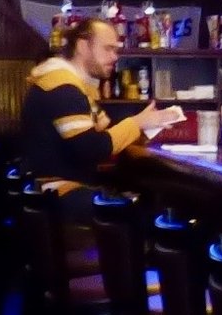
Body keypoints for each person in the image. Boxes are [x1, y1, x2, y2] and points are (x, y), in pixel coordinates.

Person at [21, 17, 181, 193]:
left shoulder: (75, 85)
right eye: (108, 49)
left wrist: (147, 127)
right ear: (83, 47)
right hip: (59, 191)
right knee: (150, 207)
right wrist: (138, 123)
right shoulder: (62, 86)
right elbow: (93, 148)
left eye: (116, 50)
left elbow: (105, 130)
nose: (115, 57)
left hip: (67, 186)